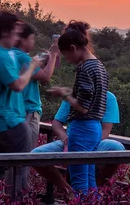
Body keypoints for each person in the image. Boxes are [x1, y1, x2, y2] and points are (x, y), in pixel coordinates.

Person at [47, 21, 108, 194]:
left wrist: (64, 94)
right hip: (95, 127)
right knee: (89, 179)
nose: (68, 60)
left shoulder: (85, 68)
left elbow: (83, 107)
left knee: (79, 180)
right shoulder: (99, 66)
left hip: (82, 128)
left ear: (73, 48)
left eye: (66, 56)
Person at [0, 12, 39, 197]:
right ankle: (17, 200)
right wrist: (32, 66)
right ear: (6, 32)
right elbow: (17, 85)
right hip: (8, 119)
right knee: (19, 167)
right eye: (15, 33)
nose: (17, 38)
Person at [32, 91, 125, 191]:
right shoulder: (74, 95)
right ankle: (68, 190)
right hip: (71, 139)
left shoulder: (109, 98)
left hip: (96, 141)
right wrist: (64, 138)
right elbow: (57, 122)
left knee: (117, 148)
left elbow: (105, 130)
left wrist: (86, 142)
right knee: (36, 155)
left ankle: (94, 189)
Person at [14, 23, 60, 150]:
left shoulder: (11, 54)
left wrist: (47, 58)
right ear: (24, 40)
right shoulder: (22, 58)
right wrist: (54, 55)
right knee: (25, 155)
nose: (33, 42)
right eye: (32, 38)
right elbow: (45, 76)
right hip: (28, 111)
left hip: (16, 110)